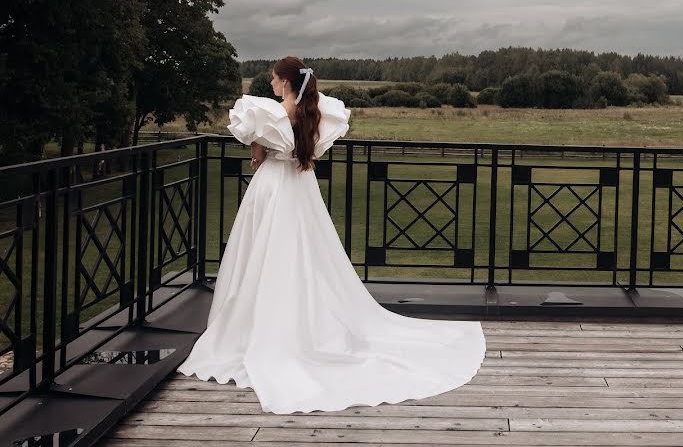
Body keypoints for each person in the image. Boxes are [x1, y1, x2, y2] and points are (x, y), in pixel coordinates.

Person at [176, 56, 486, 414]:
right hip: (300, 186)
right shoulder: (313, 112)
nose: (272, 85)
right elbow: (303, 149)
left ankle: (262, 325)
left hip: (274, 186)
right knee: (303, 252)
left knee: (266, 252)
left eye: (275, 79)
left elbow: (257, 153)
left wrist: (258, 148)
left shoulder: (272, 113)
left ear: (286, 82)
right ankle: (300, 320)